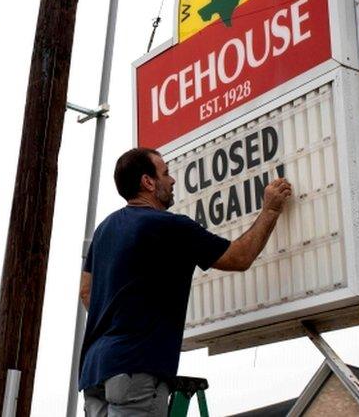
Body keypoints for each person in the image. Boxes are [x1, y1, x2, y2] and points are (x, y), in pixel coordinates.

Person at [79, 147, 292, 416]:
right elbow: (239, 258)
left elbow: (86, 291)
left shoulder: (104, 229)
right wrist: (271, 209)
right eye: (165, 173)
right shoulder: (169, 226)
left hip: (94, 371)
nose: (172, 180)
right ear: (148, 182)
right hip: (136, 368)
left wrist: (121, 318)